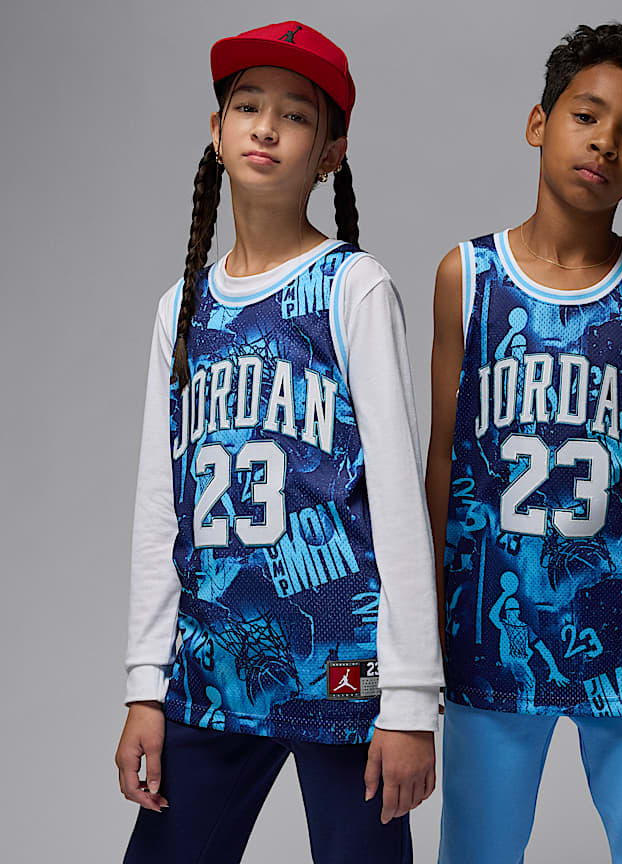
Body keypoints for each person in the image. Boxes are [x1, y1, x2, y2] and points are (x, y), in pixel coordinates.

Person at [115, 21, 443, 864]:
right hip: (212, 666)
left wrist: (410, 699)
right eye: (247, 106)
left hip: (343, 671)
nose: (266, 127)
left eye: (296, 114)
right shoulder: (181, 307)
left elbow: (397, 504)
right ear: (216, 129)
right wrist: (145, 686)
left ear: (330, 152)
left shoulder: (353, 287)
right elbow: (161, 510)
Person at [426, 22, 622, 864]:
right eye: (586, 116)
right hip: (492, 627)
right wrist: (421, 622)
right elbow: (444, 456)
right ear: (539, 122)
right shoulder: (467, 277)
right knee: (478, 851)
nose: (605, 143)